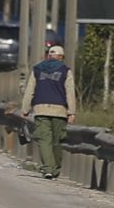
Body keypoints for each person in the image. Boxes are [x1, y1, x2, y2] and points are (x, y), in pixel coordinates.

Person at [19, 44, 76, 179]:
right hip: (59, 111)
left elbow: (29, 91)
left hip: (41, 109)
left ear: (48, 55)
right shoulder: (65, 71)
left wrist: (25, 109)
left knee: (44, 140)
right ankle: (54, 168)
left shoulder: (37, 69)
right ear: (61, 57)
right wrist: (71, 112)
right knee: (57, 141)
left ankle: (48, 169)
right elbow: (70, 93)